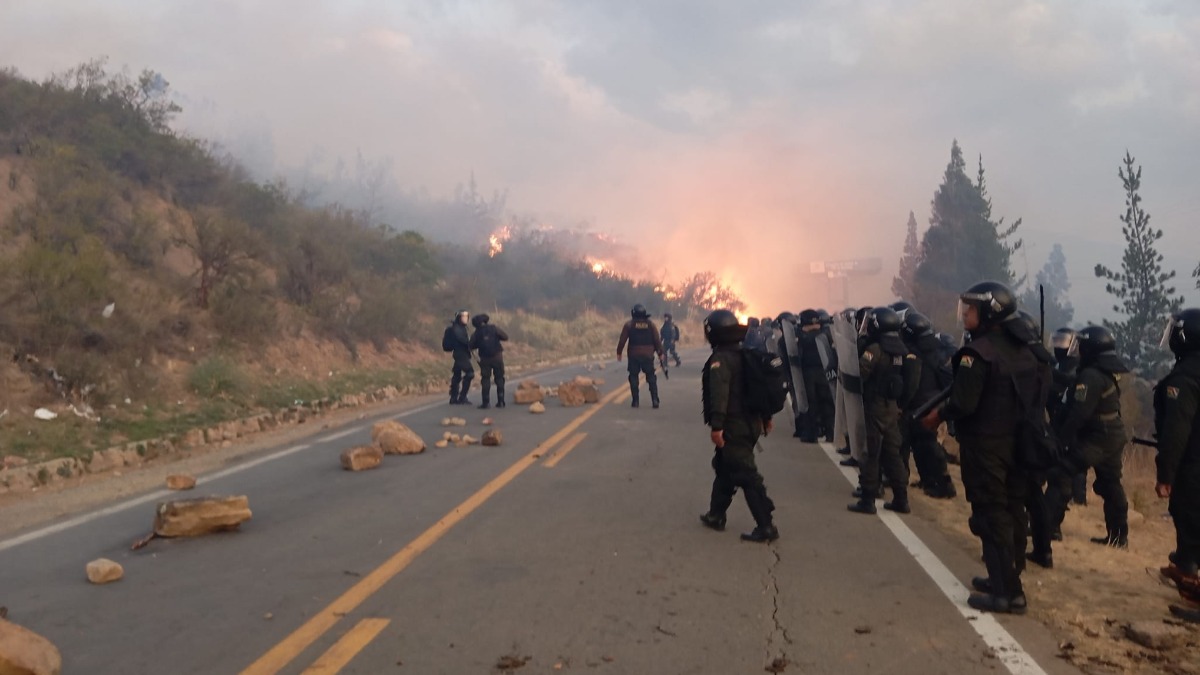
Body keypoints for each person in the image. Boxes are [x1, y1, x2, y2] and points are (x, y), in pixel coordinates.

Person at [922, 281, 1036, 614]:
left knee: (990, 514)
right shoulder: (1024, 349)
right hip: (1019, 443)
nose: (965, 315)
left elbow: (963, 403)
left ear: (988, 312)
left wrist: (937, 416)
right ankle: (1006, 578)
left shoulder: (979, 353)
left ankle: (1006, 592)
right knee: (1013, 510)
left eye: (970, 309)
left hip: (987, 447)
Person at [698, 309, 778, 542]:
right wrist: (766, 417)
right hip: (751, 422)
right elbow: (758, 389)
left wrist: (717, 426)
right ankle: (716, 514)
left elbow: (719, 395)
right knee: (724, 467)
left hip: (734, 426)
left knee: (746, 474)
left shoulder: (721, 359)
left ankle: (766, 525)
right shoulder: (746, 355)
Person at [1047, 325, 1130, 548]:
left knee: (1061, 471)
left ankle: (1048, 527)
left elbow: (1078, 414)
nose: (1078, 349)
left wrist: (1061, 441)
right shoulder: (1104, 373)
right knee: (1111, 483)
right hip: (1112, 434)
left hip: (1099, 438)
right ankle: (1118, 536)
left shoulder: (1090, 376)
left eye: (1081, 345)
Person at [848, 307, 917, 515]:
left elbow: (860, 373)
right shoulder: (902, 351)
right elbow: (910, 381)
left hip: (874, 406)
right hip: (892, 408)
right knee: (893, 454)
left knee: (871, 453)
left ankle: (868, 500)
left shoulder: (875, 349)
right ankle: (901, 499)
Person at [1155, 308, 1200, 581]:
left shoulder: (1186, 378)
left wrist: (1165, 474)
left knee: (1189, 513)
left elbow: (1176, 430)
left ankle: (1190, 578)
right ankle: (1185, 564)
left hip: (1194, 463)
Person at [900, 311, 956, 498]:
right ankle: (928, 481)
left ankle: (944, 485)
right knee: (920, 446)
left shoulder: (916, 352)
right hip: (931, 401)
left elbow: (913, 382)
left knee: (928, 446)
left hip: (923, 403)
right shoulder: (933, 350)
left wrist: (904, 403)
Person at [796, 309, 836, 443]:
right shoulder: (826, 335)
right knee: (827, 404)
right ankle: (831, 433)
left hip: (809, 374)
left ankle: (811, 433)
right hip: (826, 373)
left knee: (811, 405)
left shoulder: (802, 338)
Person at [617, 304, 665, 408]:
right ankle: (655, 400)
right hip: (648, 355)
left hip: (633, 355)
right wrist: (660, 353)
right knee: (651, 377)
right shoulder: (651, 324)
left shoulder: (629, 325)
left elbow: (622, 340)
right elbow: (657, 340)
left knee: (633, 377)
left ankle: (635, 401)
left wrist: (619, 352)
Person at [469, 313, 509, 409]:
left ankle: (486, 402)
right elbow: (505, 337)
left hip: (485, 359)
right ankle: (501, 401)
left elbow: (470, 346)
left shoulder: (476, 333)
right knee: (499, 378)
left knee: (485, 379)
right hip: (497, 357)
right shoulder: (494, 328)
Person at [442, 309, 474, 405]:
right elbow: (462, 340)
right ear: (459, 317)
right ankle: (462, 397)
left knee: (457, 375)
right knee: (470, 373)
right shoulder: (457, 329)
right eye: (463, 316)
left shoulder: (461, 328)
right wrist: (472, 344)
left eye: (466, 316)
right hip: (460, 354)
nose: (466, 318)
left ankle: (453, 397)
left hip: (460, 354)